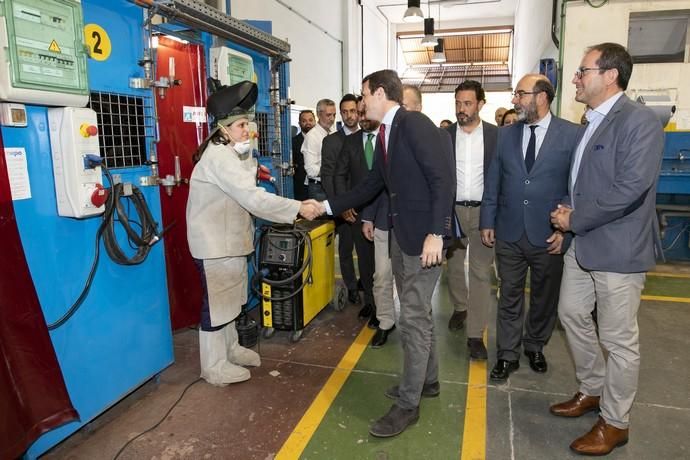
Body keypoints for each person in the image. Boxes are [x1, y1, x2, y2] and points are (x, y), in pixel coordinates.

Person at [318, 69, 455, 438]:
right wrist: (326, 206)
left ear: (380, 93)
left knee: (411, 317)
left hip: (424, 240)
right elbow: (370, 186)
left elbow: (443, 178)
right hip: (402, 236)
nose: (361, 104)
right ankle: (428, 382)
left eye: (364, 96)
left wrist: (437, 233)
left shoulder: (414, 124)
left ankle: (408, 405)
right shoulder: (384, 135)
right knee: (419, 314)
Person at [549, 42, 665, 456]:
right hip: (584, 243)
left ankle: (616, 422)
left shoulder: (639, 122)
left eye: (583, 71)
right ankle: (593, 389)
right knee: (571, 313)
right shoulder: (590, 122)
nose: (576, 79)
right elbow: (581, 181)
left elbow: (630, 190)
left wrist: (574, 221)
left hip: (618, 249)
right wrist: (566, 218)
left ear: (610, 75)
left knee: (618, 340)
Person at [186, 81, 321, 387]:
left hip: (228, 242)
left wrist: (248, 154)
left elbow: (246, 184)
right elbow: (253, 198)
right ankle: (214, 366)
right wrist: (299, 207)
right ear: (223, 129)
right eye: (242, 125)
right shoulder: (219, 158)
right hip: (214, 245)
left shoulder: (230, 153)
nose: (247, 130)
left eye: (247, 124)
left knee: (231, 300)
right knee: (216, 305)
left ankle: (231, 348)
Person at [480, 74, 581, 382]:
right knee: (508, 294)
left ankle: (535, 344)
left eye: (520, 94)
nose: (514, 100)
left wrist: (565, 229)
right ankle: (507, 354)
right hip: (508, 231)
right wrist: (487, 219)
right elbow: (494, 180)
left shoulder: (572, 135)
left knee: (544, 296)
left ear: (541, 96)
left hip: (549, 233)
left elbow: (576, 186)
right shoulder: (505, 135)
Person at [444, 80, 498, 360]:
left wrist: (494, 216)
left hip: (483, 213)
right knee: (453, 266)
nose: (461, 109)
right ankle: (459, 307)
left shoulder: (495, 136)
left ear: (480, 104)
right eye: (457, 103)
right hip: (452, 211)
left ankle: (475, 334)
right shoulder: (445, 136)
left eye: (467, 103)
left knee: (479, 272)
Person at [334, 98, 377, 329]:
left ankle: (386, 306)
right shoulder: (349, 143)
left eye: (363, 112)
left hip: (387, 214)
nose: (361, 118)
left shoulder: (386, 139)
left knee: (386, 265)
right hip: (358, 214)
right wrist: (345, 204)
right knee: (366, 263)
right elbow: (339, 175)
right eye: (357, 114)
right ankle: (370, 302)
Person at [321, 94, 363, 306]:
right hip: (344, 207)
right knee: (345, 249)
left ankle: (365, 282)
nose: (349, 115)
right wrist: (340, 206)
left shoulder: (368, 138)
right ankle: (352, 287)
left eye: (353, 111)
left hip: (365, 206)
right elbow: (327, 176)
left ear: (359, 111)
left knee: (367, 250)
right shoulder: (331, 142)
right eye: (345, 112)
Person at [302, 98, 337, 200]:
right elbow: (311, 170)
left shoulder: (333, 133)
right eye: (328, 115)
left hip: (332, 184)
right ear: (318, 115)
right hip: (319, 188)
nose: (332, 118)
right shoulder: (311, 137)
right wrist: (333, 169)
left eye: (334, 115)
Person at [292, 110, 315, 200]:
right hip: (301, 187)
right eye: (304, 121)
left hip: (320, 186)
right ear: (299, 123)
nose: (308, 123)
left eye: (310, 120)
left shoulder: (323, 139)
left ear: (315, 121)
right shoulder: (293, 142)